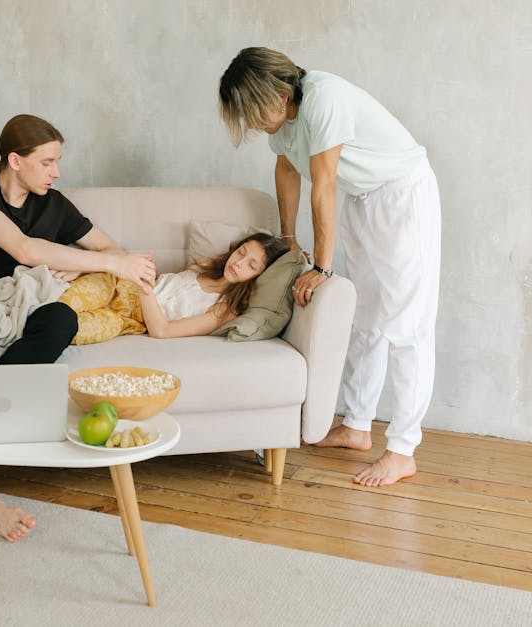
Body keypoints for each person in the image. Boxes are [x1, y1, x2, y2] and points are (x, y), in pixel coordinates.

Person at [218, 47, 442, 487]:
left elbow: (323, 188)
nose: (253, 124)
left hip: (402, 196)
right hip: (365, 198)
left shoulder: (325, 99)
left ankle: (402, 450)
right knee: (367, 317)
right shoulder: (283, 120)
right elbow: (285, 170)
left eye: (252, 111)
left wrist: (320, 268)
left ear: (278, 94)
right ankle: (357, 425)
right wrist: (287, 238)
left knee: (408, 325)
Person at [0, 114, 157, 541]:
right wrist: (107, 264)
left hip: (17, 303)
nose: (57, 172)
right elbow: (21, 246)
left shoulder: (55, 204)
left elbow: (109, 246)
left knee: (62, 319)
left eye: (58, 161)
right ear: (15, 160)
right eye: (48, 162)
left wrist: (81, 268)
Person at [58, 232, 289, 344]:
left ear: (260, 277)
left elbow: (162, 330)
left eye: (251, 265)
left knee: (68, 331)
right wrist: (146, 277)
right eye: (241, 252)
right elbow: (168, 287)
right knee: (62, 304)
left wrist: (144, 286)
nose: (238, 263)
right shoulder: (207, 265)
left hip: (131, 320)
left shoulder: (224, 310)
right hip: (121, 286)